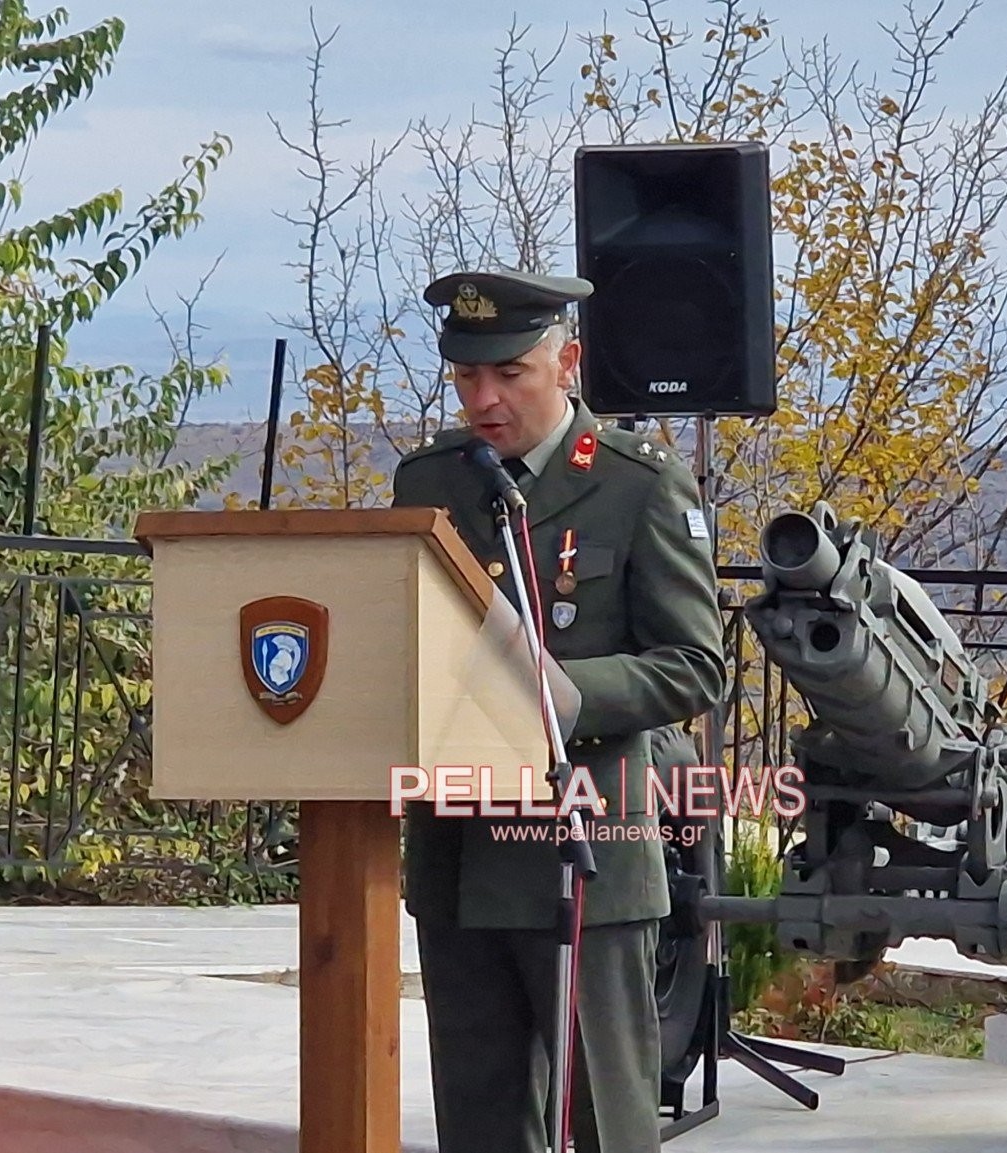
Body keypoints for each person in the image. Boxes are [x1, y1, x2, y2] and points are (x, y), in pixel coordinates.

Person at [390, 268, 726, 1152]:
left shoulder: (635, 485)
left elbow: (695, 666)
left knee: (602, 1119)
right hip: (459, 848)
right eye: (468, 377)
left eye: (511, 373)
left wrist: (573, 694)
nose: (486, 398)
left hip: (584, 857)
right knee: (480, 1117)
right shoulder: (431, 483)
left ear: (567, 361)